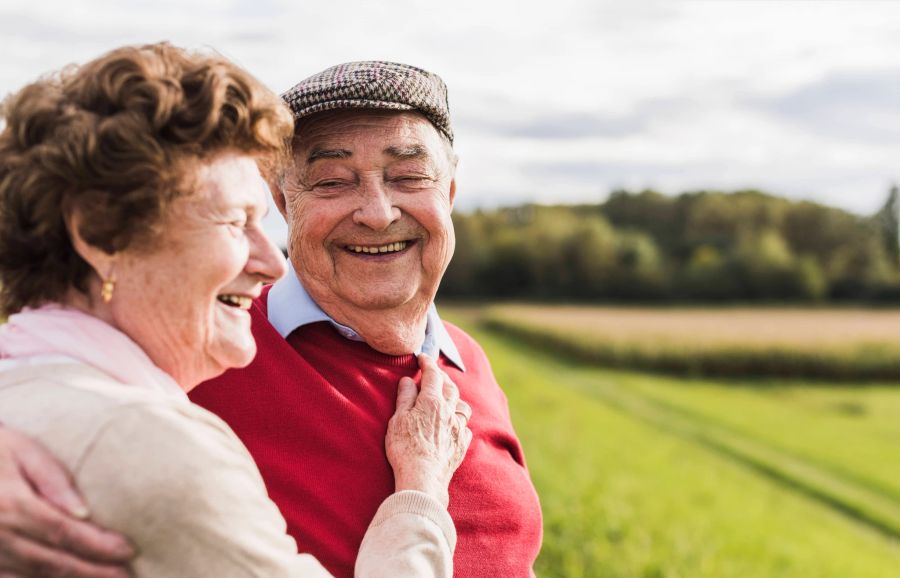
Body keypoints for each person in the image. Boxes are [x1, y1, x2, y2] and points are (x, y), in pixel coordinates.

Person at [0, 61, 542, 578]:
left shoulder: (467, 361)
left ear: (448, 193)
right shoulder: (200, 345)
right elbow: (53, 379)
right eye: (333, 181)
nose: (377, 212)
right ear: (285, 201)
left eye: (408, 176)